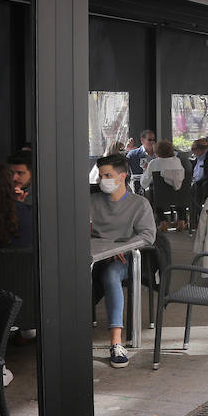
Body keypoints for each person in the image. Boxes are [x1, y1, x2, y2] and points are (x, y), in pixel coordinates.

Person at [90, 154, 156, 369]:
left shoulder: (139, 204)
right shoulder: (91, 201)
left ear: (122, 176)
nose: (103, 180)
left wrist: (122, 247)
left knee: (110, 274)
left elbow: (148, 236)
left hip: (125, 258)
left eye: (107, 175)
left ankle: (116, 342)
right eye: (100, 176)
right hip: (93, 255)